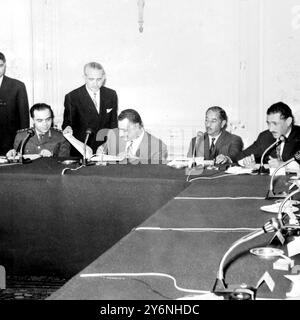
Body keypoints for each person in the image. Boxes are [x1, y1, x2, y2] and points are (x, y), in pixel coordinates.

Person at [62, 62, 118, 156]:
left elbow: (114, 125)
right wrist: (68, 128)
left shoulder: (111, 95)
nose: (95, 83)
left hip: (105, 150)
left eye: (99, 79)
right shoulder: (72, 97)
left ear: (104, 77)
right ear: (84, 77)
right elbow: (67, 123)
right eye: (91, 79)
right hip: (82, 151)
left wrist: (106, 145)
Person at [237, 102, 300, 168]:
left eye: (275, 124)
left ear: (288, 121)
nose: (270, 129)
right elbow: (240, 157)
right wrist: (247, 162)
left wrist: (284, 165)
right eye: (268, 123)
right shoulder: (265, 137)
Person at [97, 109, 168, 164]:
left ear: (137, 126)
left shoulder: (158, 147)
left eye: (125, 130)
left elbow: (158, 173)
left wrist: (136, 161)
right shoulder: (113, 135)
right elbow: (102, 149)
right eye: (119, 129)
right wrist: (100, 153)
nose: (120, 134)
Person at [6, 103, 70, 159]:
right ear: (33, 120)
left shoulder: (61, 137)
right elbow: (17, 161)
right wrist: (12, 155)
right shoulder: (22, 136)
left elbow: (64, 163)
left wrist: (52, 157)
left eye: (48, 119)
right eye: (40, 120)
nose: (45, 124)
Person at [0, 52, 29, 155]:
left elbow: (24, 121)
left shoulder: (18, 86)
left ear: (5, 65)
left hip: (10, 145)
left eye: (0, 66)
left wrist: (20, 146)